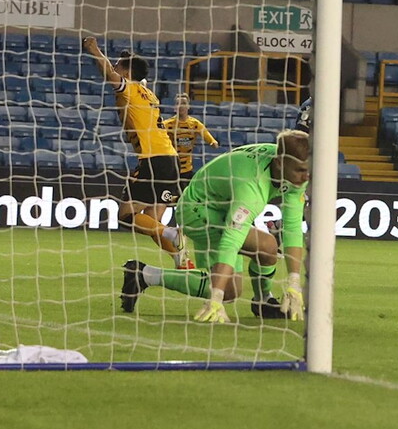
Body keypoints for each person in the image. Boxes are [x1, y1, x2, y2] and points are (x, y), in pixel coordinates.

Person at [120, 129, 310, 322]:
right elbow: (231, 241)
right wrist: (216, 297)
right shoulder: (251, 187)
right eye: (301, 171)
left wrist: (294, 282)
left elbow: (292, 227)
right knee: (230, 290)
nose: (306, 177)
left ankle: (263, 301)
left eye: (308, 169)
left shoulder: (292, 166)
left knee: (268, 248)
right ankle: (145, 275)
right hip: (197, 210)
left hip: (222, 206)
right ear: (280, 163)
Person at [82, 37, 190, 268]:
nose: (114, 67)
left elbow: (109, 74)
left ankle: (172, 233)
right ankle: (182, 262)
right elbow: (115, 73)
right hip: (170, 160)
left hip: (152, 159)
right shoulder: (148, 93)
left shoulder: (129, 89)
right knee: (151, 221)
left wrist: (94, 50)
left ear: (128, 72)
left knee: (125, 216)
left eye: (119, 65)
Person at [164, 93, 219, 187]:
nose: (181, 106)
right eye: (178, 103)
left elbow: (206, 134)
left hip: (187, 169)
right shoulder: (167, 124)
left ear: (188, 106)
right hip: (171, 168)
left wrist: (212, 142)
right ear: (174, 107)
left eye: (184, 103)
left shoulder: (195, 124)